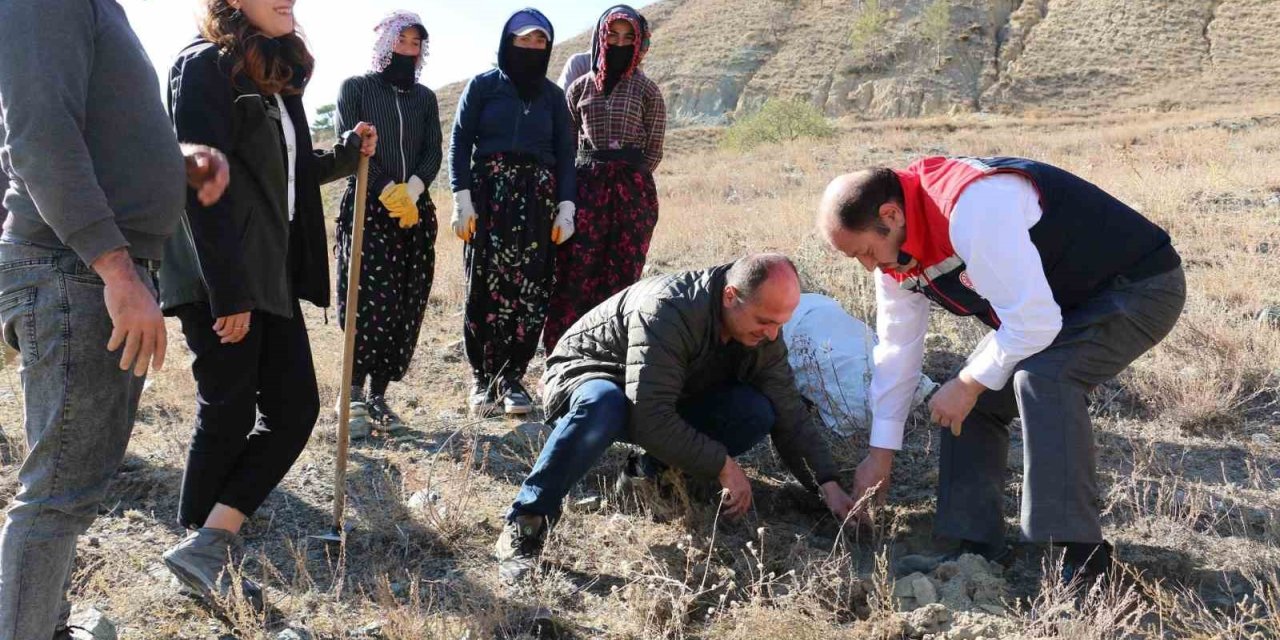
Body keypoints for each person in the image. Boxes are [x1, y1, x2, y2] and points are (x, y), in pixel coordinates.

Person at [817, 156, 1186, 587]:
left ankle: (1087, 563)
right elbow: (898, 351)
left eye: (865, 251)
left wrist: (968, 382)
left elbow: (1035, 324)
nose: (869, 266)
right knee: (972, 400)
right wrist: (880, 453)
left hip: (1137, 288)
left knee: (1042, 378)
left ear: (891, 215)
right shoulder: (896, 254)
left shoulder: (972, 208)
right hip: (1058, 306)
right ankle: (972, 548)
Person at [0, 1, 230, 637]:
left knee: (65, 489)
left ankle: (44, 623)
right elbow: (40, 132)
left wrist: (174, 162)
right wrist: (117, 270)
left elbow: (91, 127)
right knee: (56, 496)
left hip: (81, 269)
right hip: (74, 270)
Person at [156, 0, 376, 608]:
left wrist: (347, 154)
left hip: (268, 269)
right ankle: (201, 550)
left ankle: (204, 546)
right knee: (227, 410)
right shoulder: (203, 66)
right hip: (221, 273)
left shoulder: (274, 74)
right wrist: (227, 290)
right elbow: (202, 179)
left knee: (296, 408)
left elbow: (288, 172)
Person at [496, 254, 859, 583]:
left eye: (780, 324)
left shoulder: (762, 330)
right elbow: (651, 416)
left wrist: (826, 483)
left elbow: (788, 411)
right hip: (593, 376)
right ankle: (528, 520)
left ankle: (649, 477)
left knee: (755, 410)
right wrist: (721, 464)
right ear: (731, 296)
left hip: (663, 390)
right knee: (604, 404)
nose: (772, 334)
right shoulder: (668, 307)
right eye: (765, 321)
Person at [449, 8, 576, 417]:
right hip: (489, 197)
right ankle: (481, 378)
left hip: (538, 202)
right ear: (508, 43)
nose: (533, 47)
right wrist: (461, 198)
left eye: (541, 41)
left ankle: (512, 378)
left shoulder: (554, 97)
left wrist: (566, 207)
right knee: (483, 284)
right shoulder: (483, 87)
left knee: (531, 288)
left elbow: (566, 156)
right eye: (524, 40)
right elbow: (459, 143)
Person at [334, 10, 443, 437]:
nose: (408, 51)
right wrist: (385, 190)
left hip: (414, 213)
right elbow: (349, 145)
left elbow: (432, 150)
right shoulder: (357, 88)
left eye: (416, 45)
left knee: (404, 302)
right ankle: (353, 394)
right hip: (368, 208)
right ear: (385, 44)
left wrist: (412, 191)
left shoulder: (425, 99)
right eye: (402, 42)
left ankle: (380, 396)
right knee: (367, 301)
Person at [542, 4, 666, 353]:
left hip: (632, 194)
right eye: (612, 35)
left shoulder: (648, 91)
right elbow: (564, 146)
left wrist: (629, 182)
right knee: (574, 272)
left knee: (622, 275)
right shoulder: (578, 88)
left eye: (628, 37)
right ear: (601, 37)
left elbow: (654, 150)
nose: (620, 42)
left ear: (638, 41)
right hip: (584, 189)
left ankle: (612, 356)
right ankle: (564, 353)